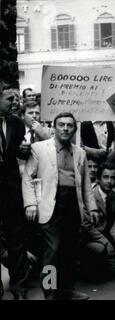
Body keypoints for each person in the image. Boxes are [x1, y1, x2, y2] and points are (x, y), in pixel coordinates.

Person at [22, 112, 98, 300]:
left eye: (69, 125)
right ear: (54, 127)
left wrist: (92, 207)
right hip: (50, 205)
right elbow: (27, 177)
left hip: (72, 204)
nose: (65, 128)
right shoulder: (39, 148)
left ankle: (66, 290)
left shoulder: (80, 152)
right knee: (53, 250)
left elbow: (86, 184)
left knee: (69, 250)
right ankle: (50, 292)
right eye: (61, 125)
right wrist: (30, 203)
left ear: (74, 129)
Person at [0, 85, 31, 300]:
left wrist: (23, 150)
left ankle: (18, 286)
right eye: (9, 98)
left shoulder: (16, 123)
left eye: (16, 99)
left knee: (16, 238)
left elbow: (19, 150)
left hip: (11, 190)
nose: (14, 102)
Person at [80, 162, 115, 279]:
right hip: (89, 238)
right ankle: (84, 267)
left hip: (107, 235)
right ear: (98, 179)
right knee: (100, 250)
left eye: (113, 178)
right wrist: (106, 242)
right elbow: (86, 226)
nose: (109, 181)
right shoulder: (89, 197)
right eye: (106, 177)